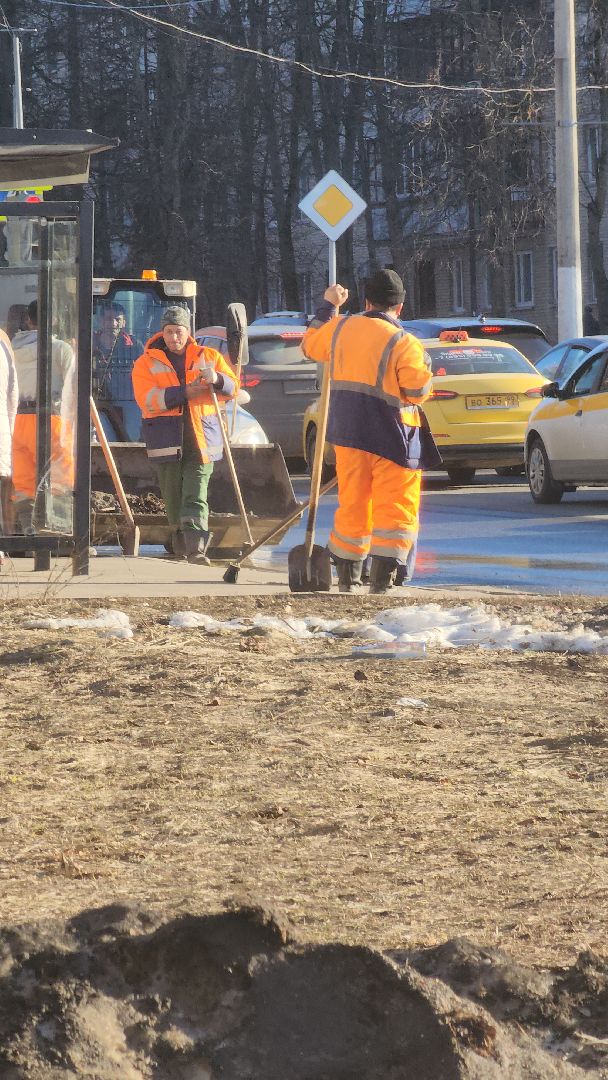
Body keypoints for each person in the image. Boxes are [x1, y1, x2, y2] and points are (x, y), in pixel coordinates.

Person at [301, 269, 439, 593]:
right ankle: (381, 582)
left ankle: (348, 579)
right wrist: (428, 370)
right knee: (394, 508)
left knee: (353, 504)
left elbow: (309, 346)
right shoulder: (404, 342)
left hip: (348, 433)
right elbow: (416, 391)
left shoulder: (340, 328)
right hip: (392, 437)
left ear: (366, 302)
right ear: (400, 307)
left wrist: (328, 307)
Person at [132, 305, 238, 564]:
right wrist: (183, 393)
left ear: (187, 332)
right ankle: (181, 541)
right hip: (165, 440)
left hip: (202, 440)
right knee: (173, 497)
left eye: (178, 331)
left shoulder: (209, 356)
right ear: (162, 332)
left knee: (196, 493)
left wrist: (218, 379)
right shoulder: (145, 363)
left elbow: (234, 387)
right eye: (169, 332)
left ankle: (196, 548)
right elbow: (147, 400)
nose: (174, 337)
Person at [11, 300, 75, 533]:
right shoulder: (60, 349)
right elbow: (73, 387)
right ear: (55, 320)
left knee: (23, 480)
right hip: (51, 420)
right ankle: (57, 529)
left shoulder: (12, 350)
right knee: (60, 475)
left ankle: (30, 532)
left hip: (18, 421)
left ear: (28, 320)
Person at [0, 328, 18, 534]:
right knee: (5, 493)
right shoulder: (3, 340)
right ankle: (7, 539)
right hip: (2, 431)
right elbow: (14, 396)